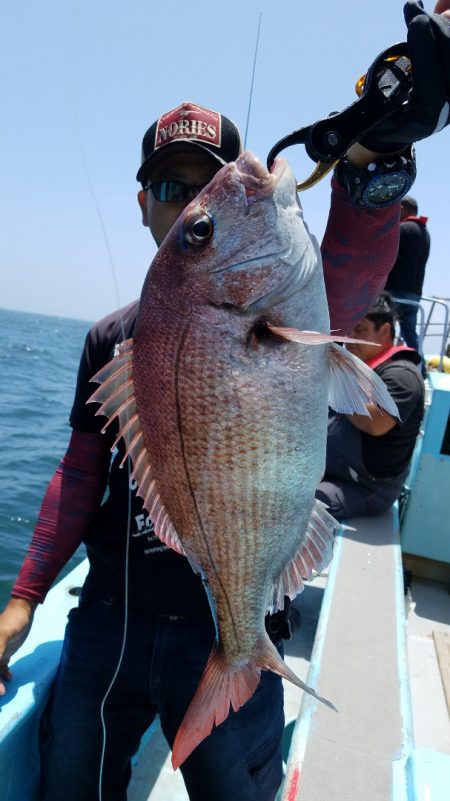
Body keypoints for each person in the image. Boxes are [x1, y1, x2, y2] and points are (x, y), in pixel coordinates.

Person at [1, 4, 450, 800]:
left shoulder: (292, 310)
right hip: (114, 610)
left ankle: (240, 662)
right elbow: (76, 476)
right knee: (69, 773)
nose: (190, 200)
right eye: (173, 188)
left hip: (235, 610)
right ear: (143, 204)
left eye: (206, 183)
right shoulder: (110, 341)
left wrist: (379, 158)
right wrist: (25, 594)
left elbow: (349, 262)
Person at [316, 292, 425, 520]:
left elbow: (376, 423)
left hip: (367, 488)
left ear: (385, 331)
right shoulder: (359, 366)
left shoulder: (402, 374)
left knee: (307, 502)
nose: (350, 338)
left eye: (360, 330)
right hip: (335, 469)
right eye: (348, 330)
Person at [384, 195, 431, 352]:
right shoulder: (425, 233)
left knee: (385, 330)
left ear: (401, 209)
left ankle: (382, 364)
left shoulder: (403, 229)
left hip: (395, 292)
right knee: (410, 335)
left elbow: (387, 256)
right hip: (414, 294)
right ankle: (420, 369)